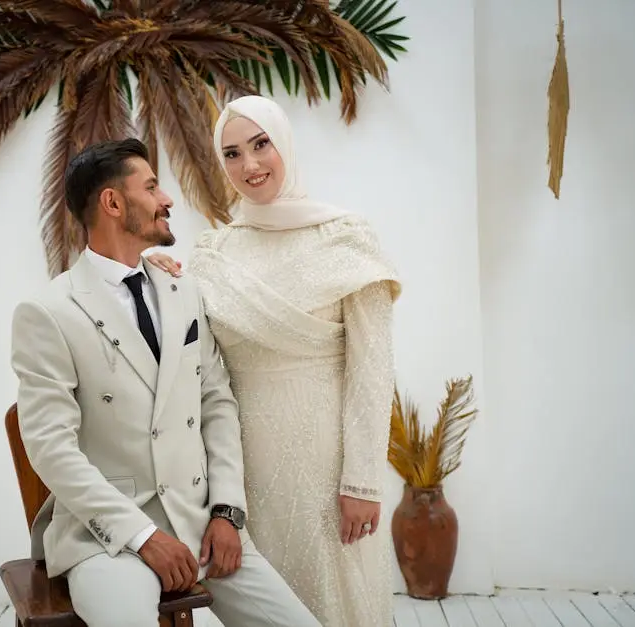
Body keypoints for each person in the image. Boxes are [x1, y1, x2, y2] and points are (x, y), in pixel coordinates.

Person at [10, 137, 322, 627]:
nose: (167, 199)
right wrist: (142, 536)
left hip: (202, 524)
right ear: (113, 203)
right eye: (152, 187)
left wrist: (226, 513)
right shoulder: (49, 313)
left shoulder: (182, 290)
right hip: (107, 541)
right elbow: (51, 448)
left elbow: (217, 402)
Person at [146, 95, 402, 626]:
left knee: (338, 601)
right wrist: (153, 273)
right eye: (233, 154)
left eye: (261, 145)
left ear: (283, 142)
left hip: (328, 464)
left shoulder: (345, 236)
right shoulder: (216, 252)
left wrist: (362, 482)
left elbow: (372, 370)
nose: (250, 166)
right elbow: (197, 356)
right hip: (247, 470)